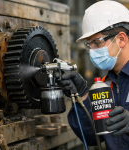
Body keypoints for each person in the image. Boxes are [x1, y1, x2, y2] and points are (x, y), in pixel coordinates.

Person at [54, 1, 129, 150]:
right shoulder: (107, 84)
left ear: (121, 39)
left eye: (97, 43)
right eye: (89, 45)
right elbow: (92, 137)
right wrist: (82, 95)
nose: (92, 51)